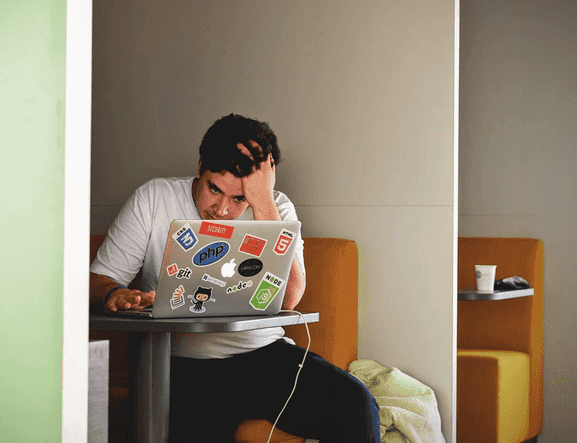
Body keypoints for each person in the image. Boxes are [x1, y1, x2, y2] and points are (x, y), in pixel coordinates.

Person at [89, 114, 380, 443]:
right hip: (181, 364)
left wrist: (262, 202)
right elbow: (98, 280)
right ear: (200, 167)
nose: (222, 209)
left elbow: (289, 298)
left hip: (263, 356)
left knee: (357, 406)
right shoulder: (154, 198)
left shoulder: (275, 207)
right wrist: (116, 293)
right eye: (214, 189)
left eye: (238, 198)